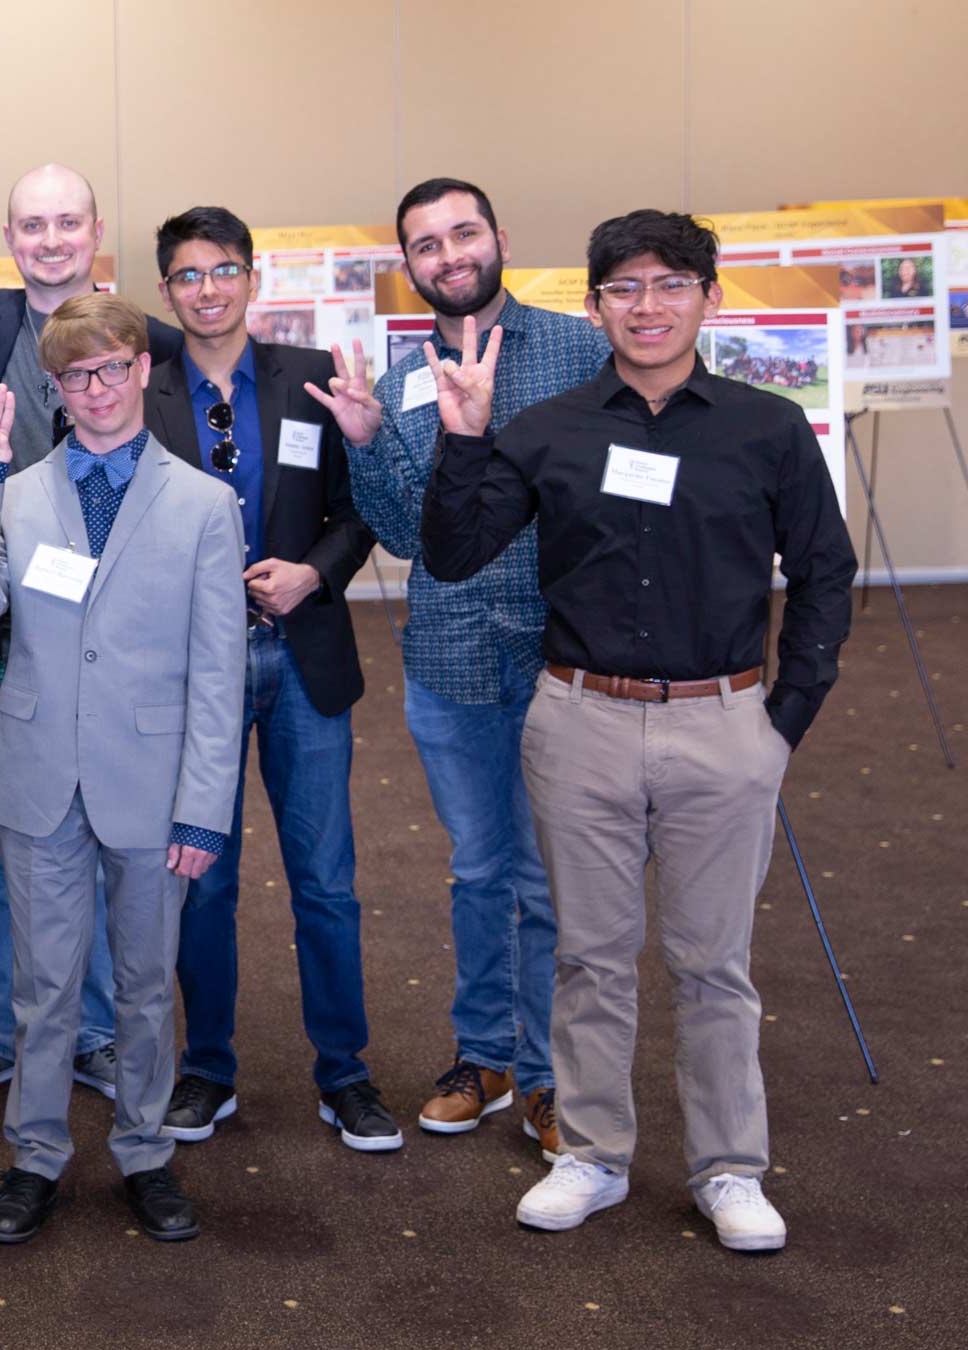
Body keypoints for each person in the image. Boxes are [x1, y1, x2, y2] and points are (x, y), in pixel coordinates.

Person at [420, 209, 854, 1253]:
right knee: (591, 958)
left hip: (724, 722)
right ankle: (594, 1156)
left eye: (669, 285)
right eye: (625, 289)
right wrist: (466, 435)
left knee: (715, 963)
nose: (647, 306)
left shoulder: (766, 427)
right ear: (596, 305)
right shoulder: (551, 427)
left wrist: (780, 719)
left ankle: (730, 1169)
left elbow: (826, 575)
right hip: (581, 724)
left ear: (709, 296)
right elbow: (452, 553)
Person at [307, 178, 610, 1159]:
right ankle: (484, 1057)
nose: (448, 255)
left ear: (500, 238)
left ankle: (556, 1076)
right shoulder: (400, 380)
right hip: (449, 661)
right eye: (425, 245)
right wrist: (363, 443)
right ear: (409, 268)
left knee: (548, 875)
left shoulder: (580, 349)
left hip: (568, 661)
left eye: (462, 233)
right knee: (480, 870)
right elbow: (403, 533)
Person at [0, 292, 245, 1246]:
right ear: (55, 389)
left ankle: (145, 1150)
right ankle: (35, 1154)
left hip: (153, 787)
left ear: (143, 370)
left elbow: (217, 673)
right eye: (77, 376)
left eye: (114, 368)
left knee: (148, 985)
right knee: (43, 986)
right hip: (37, 777)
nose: (99, 389)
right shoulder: (18, 491)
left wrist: (204, 813)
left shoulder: (204, 504)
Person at [0, 162, 182, 1105]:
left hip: (113, 630)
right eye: (30, 226)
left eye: (67, 224)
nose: (50, 240)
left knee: (96, 839)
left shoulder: (145, 342)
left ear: (98, 233)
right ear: (9, 241)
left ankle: (89, 1032)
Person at [140, 208, 389, 1150]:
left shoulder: (313, 378)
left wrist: (314, 572)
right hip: (190, 668)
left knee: (326, 880)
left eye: (224, 270)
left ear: (254, 278)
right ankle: (208, 1070)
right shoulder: (144, 392)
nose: (208, 289)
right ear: (166, 292)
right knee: (203, 881)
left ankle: (347, 1074)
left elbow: (357, 507)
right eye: (188, 275)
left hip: (303, 654)